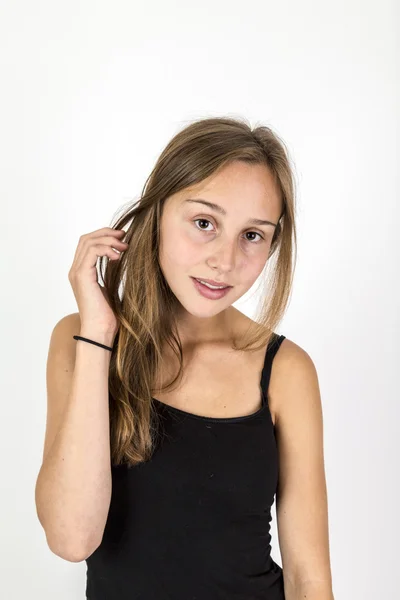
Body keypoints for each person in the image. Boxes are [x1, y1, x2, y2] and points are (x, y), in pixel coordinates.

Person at [34, 116, 334, 600]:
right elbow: (71, 537)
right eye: (203, 223)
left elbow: (309, 577)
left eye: (252, 235)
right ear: (156, 214)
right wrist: (98, 334)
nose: (226, 260)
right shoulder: (82, 340)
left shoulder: (284, 370)